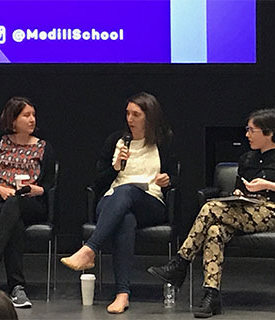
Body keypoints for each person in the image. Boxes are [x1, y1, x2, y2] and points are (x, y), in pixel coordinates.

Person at [147, 108, 275, 318]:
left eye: (252, 130)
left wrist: (268, 185)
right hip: (242, 210)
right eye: (247, 130)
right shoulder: (246, 159)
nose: (247, 135)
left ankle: (181, 262)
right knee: (214, 230)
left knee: (209, 208)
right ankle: (211, 295)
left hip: (269, 211)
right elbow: (238, 187)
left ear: (268, 133)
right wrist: (238, 193)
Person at [61, 92, 177, 314]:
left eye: (136, 114)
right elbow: (98, 181)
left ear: (149, 117)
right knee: (125, 218)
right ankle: (122, 294)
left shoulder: (163, 142)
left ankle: (90, 249)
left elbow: (176, 177)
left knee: (128, 191)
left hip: (150, 201)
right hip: (111, 202)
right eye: (128, 113)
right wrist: (115, 167)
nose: (130, 119)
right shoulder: (116, 141)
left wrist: (168, 179)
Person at [0, 96, 56, 308]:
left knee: (15, 205)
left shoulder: (44, 147)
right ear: (13, 120)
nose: (32, 120)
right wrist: (1, 190)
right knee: (12, 221)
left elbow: (49, 185)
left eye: (33, 115)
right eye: (26, 115)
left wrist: (38, 189)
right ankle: (17, 288)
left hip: (30, 203)